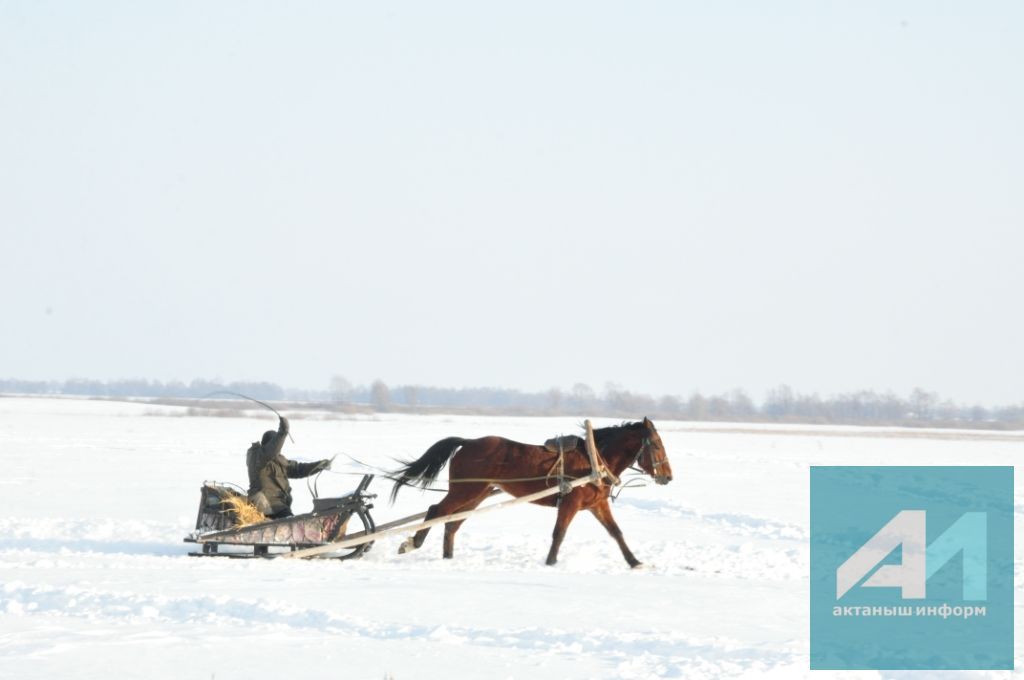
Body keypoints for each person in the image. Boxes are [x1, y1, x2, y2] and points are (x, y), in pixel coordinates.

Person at [246, 416, 331, 519]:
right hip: (265, 502)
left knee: (288, 521)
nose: (278, 448)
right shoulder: (257, 457)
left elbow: (297, 469)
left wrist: (319, 465)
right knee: (290, 523)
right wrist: (283, 431)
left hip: (278, 504)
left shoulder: (279, 460)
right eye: (276, 444)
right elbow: (272, 449)